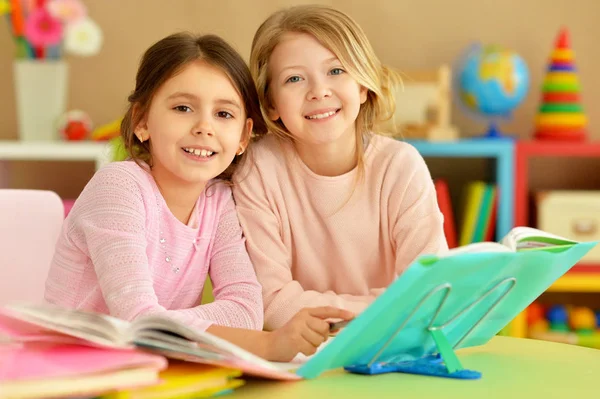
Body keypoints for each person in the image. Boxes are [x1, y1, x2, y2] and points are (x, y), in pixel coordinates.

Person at [44, 32, 353, 362]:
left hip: (156, 368)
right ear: (142, 121)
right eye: (183, 108)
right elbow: (137, 322)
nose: (204, 127)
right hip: (70, 371)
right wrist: (265, 345)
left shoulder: (220, 203)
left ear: (243, 137)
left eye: (223, 114)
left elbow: (246, 310)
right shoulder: (118, 187)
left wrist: (164, 324)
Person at [233, 5, 449, 331]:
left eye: (336, 71)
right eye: (294, 78)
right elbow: (270, 301)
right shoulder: (258, 169)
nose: (319, 91)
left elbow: (429, 295)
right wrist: (382, 309)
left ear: (363, 86)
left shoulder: (400, 167)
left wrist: (327, 316)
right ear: (271, 104)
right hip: (300, 355)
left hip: (389, 351)